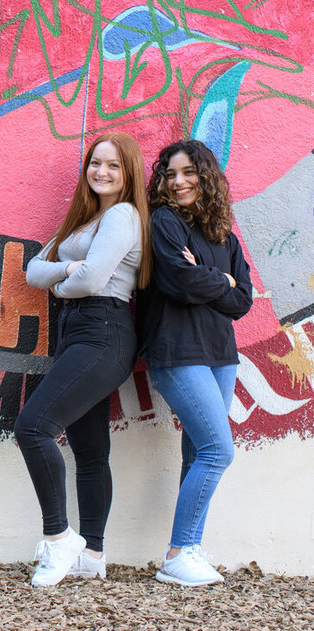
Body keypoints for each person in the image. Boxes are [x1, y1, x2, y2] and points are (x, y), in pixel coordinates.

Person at [20, 132, 151, 586]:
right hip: (78, 331)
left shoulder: (123, 215)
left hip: (103, 331)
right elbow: (32, 269)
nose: (102, 172)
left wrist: (61, 282)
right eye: (96, 163)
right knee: (90, 451)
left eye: (114, 166)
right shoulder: (83, 221)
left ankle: (59, 539)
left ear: (128, 172)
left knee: (32, 427)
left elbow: (93, 280)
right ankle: (92, 554)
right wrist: (64, 271)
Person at [140, 140, 253, 586]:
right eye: (171, 174)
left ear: (207, 178)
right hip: (176, 350)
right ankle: (177, 553)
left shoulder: (223, 232)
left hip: (221, 355)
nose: (179, 181)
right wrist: (218, 280)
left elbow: (242, 300)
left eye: (188, 173)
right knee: (218, 450)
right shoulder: (164, 222)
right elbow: (178, 281)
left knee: (197, 451)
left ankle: (190, 546)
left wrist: (216, 279)